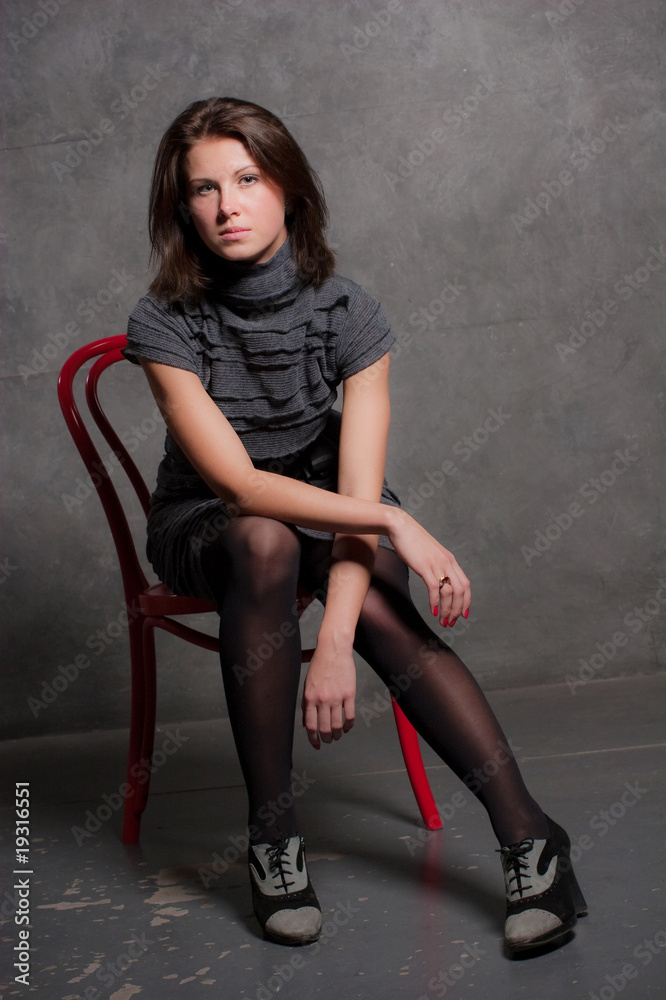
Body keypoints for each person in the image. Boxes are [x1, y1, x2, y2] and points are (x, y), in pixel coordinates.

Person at [124, 96, 587, 952]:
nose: (227, 206)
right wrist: (392, 523)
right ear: (181, 207)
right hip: (213, 521)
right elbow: (240, 487)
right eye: (203, 189)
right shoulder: (164, 322)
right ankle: (273, 839)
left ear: (289, 189)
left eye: (247, 179)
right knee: (265, 540)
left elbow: (355, 482)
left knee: (370, 598)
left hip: (334, 504)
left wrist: (334, 640)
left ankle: (530, 836)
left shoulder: (349, 313)